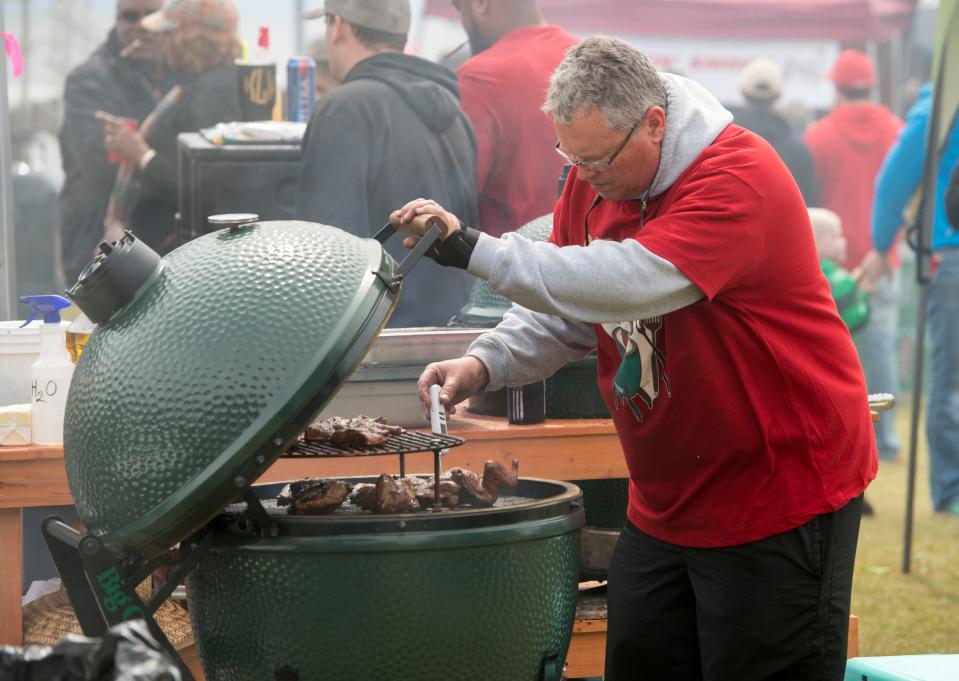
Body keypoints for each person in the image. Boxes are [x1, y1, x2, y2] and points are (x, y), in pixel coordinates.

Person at [391, 37, 875, 680]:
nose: (584, 173)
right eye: (570, 154)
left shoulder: (737, 177)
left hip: (778, 492)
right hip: (668, 500)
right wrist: (484, 362)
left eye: (598, 158)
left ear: (654, 122)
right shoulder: (594, 180)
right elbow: (567, 309)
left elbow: (627, 280)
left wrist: (474, 249)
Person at [296, 0, 479, 328]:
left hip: (379, 339)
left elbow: (326, 256)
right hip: (454, 336)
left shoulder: (343, 109)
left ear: (338, 26)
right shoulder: (456, 115)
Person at [862, 83, 959, 515]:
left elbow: (895, 178)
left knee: (951, 377)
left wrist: (882, 245)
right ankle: (952, 490)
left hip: (947, 249)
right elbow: (896, 178)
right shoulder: (941, 104)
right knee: (951, 378)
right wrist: (882, 245)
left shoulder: (938, 103)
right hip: (949, 249)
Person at [805, 49, 904, 462]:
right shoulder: (897, 130)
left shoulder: (818, 136)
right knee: (881, 346)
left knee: (829, 356)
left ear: (837, 87)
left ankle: (841, 432)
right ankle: (887, 440)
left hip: (831, 262)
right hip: (885, 257)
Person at [99, 0, 244, 254]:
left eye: (168, 31)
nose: (160, 39)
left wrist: (142, 155)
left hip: (183, 254)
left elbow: (205, 182)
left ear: (190, 37)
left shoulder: (215, 92)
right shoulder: (196, 84)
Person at [58, 0, 166, 283]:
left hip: (158, 241)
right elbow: (100, 162)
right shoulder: (89, 80)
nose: (141, 25)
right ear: (116, 20)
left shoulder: (176, 72)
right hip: (98, 243)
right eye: (130, 17)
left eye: (152, 16)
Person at [451, 0, 578, 237]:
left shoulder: (481, 75)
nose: (463, 23)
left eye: (460, 8)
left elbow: (451, 198)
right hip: (585, 257)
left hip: (503, 263)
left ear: (480, 4)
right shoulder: (585, 60)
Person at [735, 56, 820, 206]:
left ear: (743, 92)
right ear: (778, 95)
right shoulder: (798, 151)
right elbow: (811, 207)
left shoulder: (725, 144)